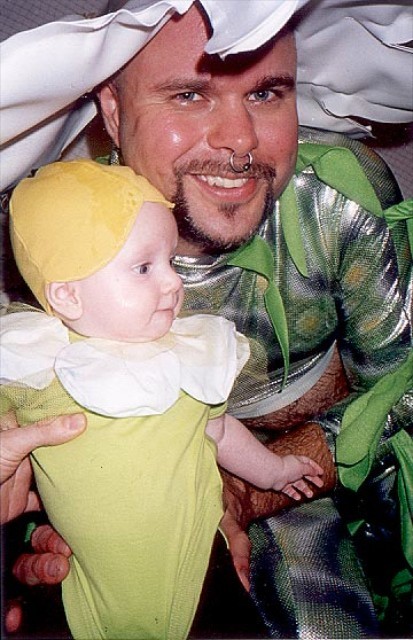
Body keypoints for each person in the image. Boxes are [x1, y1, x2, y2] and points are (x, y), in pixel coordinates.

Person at [1, 1, 412, 638]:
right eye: (190, 95)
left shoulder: (340, 203)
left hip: (344, 483)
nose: (240, 139)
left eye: (267, 93)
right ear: (114, 112)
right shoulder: (60, 235)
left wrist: (255, 486)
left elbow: (402, 382)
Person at [1, 158, 325, 640]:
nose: (174, 282)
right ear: (67, 296)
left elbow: (218, 430)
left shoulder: (186, 358)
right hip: (80, 586)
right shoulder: (33, 368)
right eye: (143, 267)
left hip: (198, 568)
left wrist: (273, 471)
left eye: (170, 262)